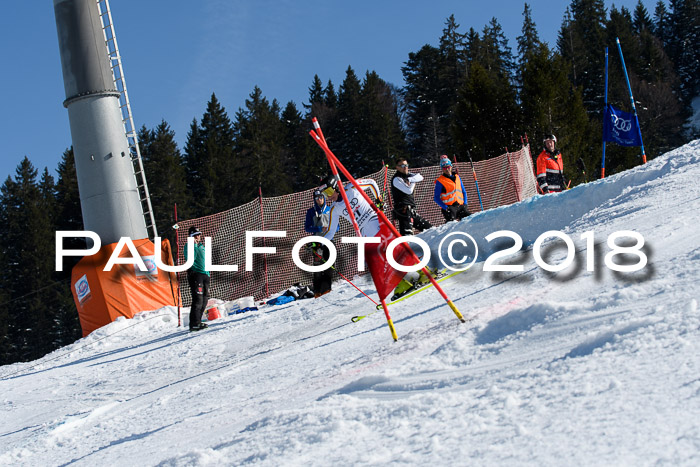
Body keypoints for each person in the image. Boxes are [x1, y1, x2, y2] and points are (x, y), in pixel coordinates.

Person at [391, 158, 432, 236]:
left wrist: (411, 179)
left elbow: (420, 177)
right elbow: (408, 190)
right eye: (402, 165)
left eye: (406, 165)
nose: (405, 167)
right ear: (397, 167)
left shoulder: (408, 175)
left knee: (430, 229)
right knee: (407, 235)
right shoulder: (396, 179)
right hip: (403, 211)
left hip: (411, 211)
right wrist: (413, 181)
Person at [304, 189, 333, 298]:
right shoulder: (311, 212)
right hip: (317, 242)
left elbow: (337, 226)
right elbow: (307, 228)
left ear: (324, 198)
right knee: (317, 266)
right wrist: (320, 228)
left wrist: (329, 229)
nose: (319, 200)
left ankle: (327, 289)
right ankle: (317, 291)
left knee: (329, 266)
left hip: (329, 241)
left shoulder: (330, 210)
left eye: (321, 197)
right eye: (317, 198)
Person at [184, 226, 210, 331]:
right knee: (198, 299)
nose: (198, 237)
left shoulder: (201, 246)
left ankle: (198, 321)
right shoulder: (189, 246)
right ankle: (194, 323)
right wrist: (193, 245)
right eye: (195, 235)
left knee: (205, 299)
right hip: (196, 275)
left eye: (198, 234)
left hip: (205, 275)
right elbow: (191, 258)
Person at [434, 156, 470, 222]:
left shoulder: (457, 177)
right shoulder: (440, 181)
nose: (447, 169)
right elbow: (436, 198)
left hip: (460, 205)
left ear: (451, 166)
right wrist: (445, 207)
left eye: (448, 167)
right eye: (444, 168)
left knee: (470, 219)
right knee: (452, 224)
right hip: (450, 208)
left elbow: (464, 191)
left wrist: (465, 203)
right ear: (442, 169)